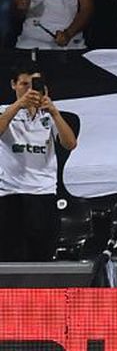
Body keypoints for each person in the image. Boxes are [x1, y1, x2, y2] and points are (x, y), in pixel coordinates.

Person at [0, 67, 77, 261]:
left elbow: (70, 143)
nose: (29, 90)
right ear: (13, 85)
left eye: (34, 85)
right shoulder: (4, 111)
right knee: (11, 257)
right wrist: (18, 105)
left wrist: (55, 113)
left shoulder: (49, 116)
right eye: (24, 84)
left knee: (41, 256)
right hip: (10, 194)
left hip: (43, 194)